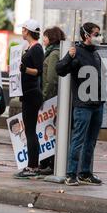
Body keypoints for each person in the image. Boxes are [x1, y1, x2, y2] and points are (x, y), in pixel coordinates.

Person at [56, 22, 105, 186]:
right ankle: (71, 173)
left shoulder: (96, 54)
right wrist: (69, 57)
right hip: (83, 104)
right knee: (78, 139)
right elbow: (60, 69)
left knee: (91, 140)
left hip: (98, 102)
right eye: (96, 34)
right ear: (86, 35)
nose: (99, 37)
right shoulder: (76, 51)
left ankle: (85, 172)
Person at [13, 19, 44, 179]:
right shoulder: (30, 48)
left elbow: (39, 71)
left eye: (23, 29)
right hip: (28, 93)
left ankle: (32, 166)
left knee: (30, 131)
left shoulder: (37, 48)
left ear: (28, 31)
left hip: (32, 94)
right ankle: (32, 164)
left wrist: (24, 69)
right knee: (30, 130)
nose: (22, 31)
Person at [39, 26, 66, 174]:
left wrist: (43, 97)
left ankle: (49, 164)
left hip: (51, 99)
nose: (43, 39)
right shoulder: (53, 52)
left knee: (49, 131)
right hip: (53, 98)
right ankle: (46, 163)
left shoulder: (54, 54)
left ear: (51, 38)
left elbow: (51, 79)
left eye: (45, 36)